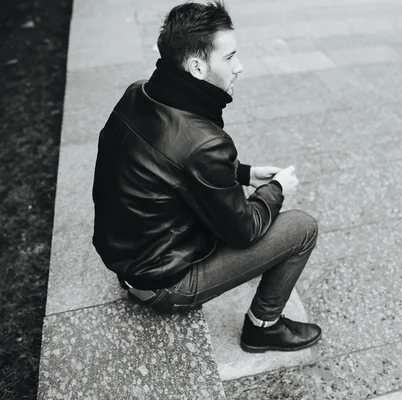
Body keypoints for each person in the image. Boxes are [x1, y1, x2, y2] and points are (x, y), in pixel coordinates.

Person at [91, 1, 321, 353]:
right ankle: (263, 327)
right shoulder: (205, 143)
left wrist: (244, 174)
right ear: (197, 67)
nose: (239, 67)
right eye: (229, 58)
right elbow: (244, 231)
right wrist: (276, 189)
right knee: (302, 227)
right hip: (164, 283)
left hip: (129, 263)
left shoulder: (138, 92)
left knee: (234, 210)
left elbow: (170, 161)